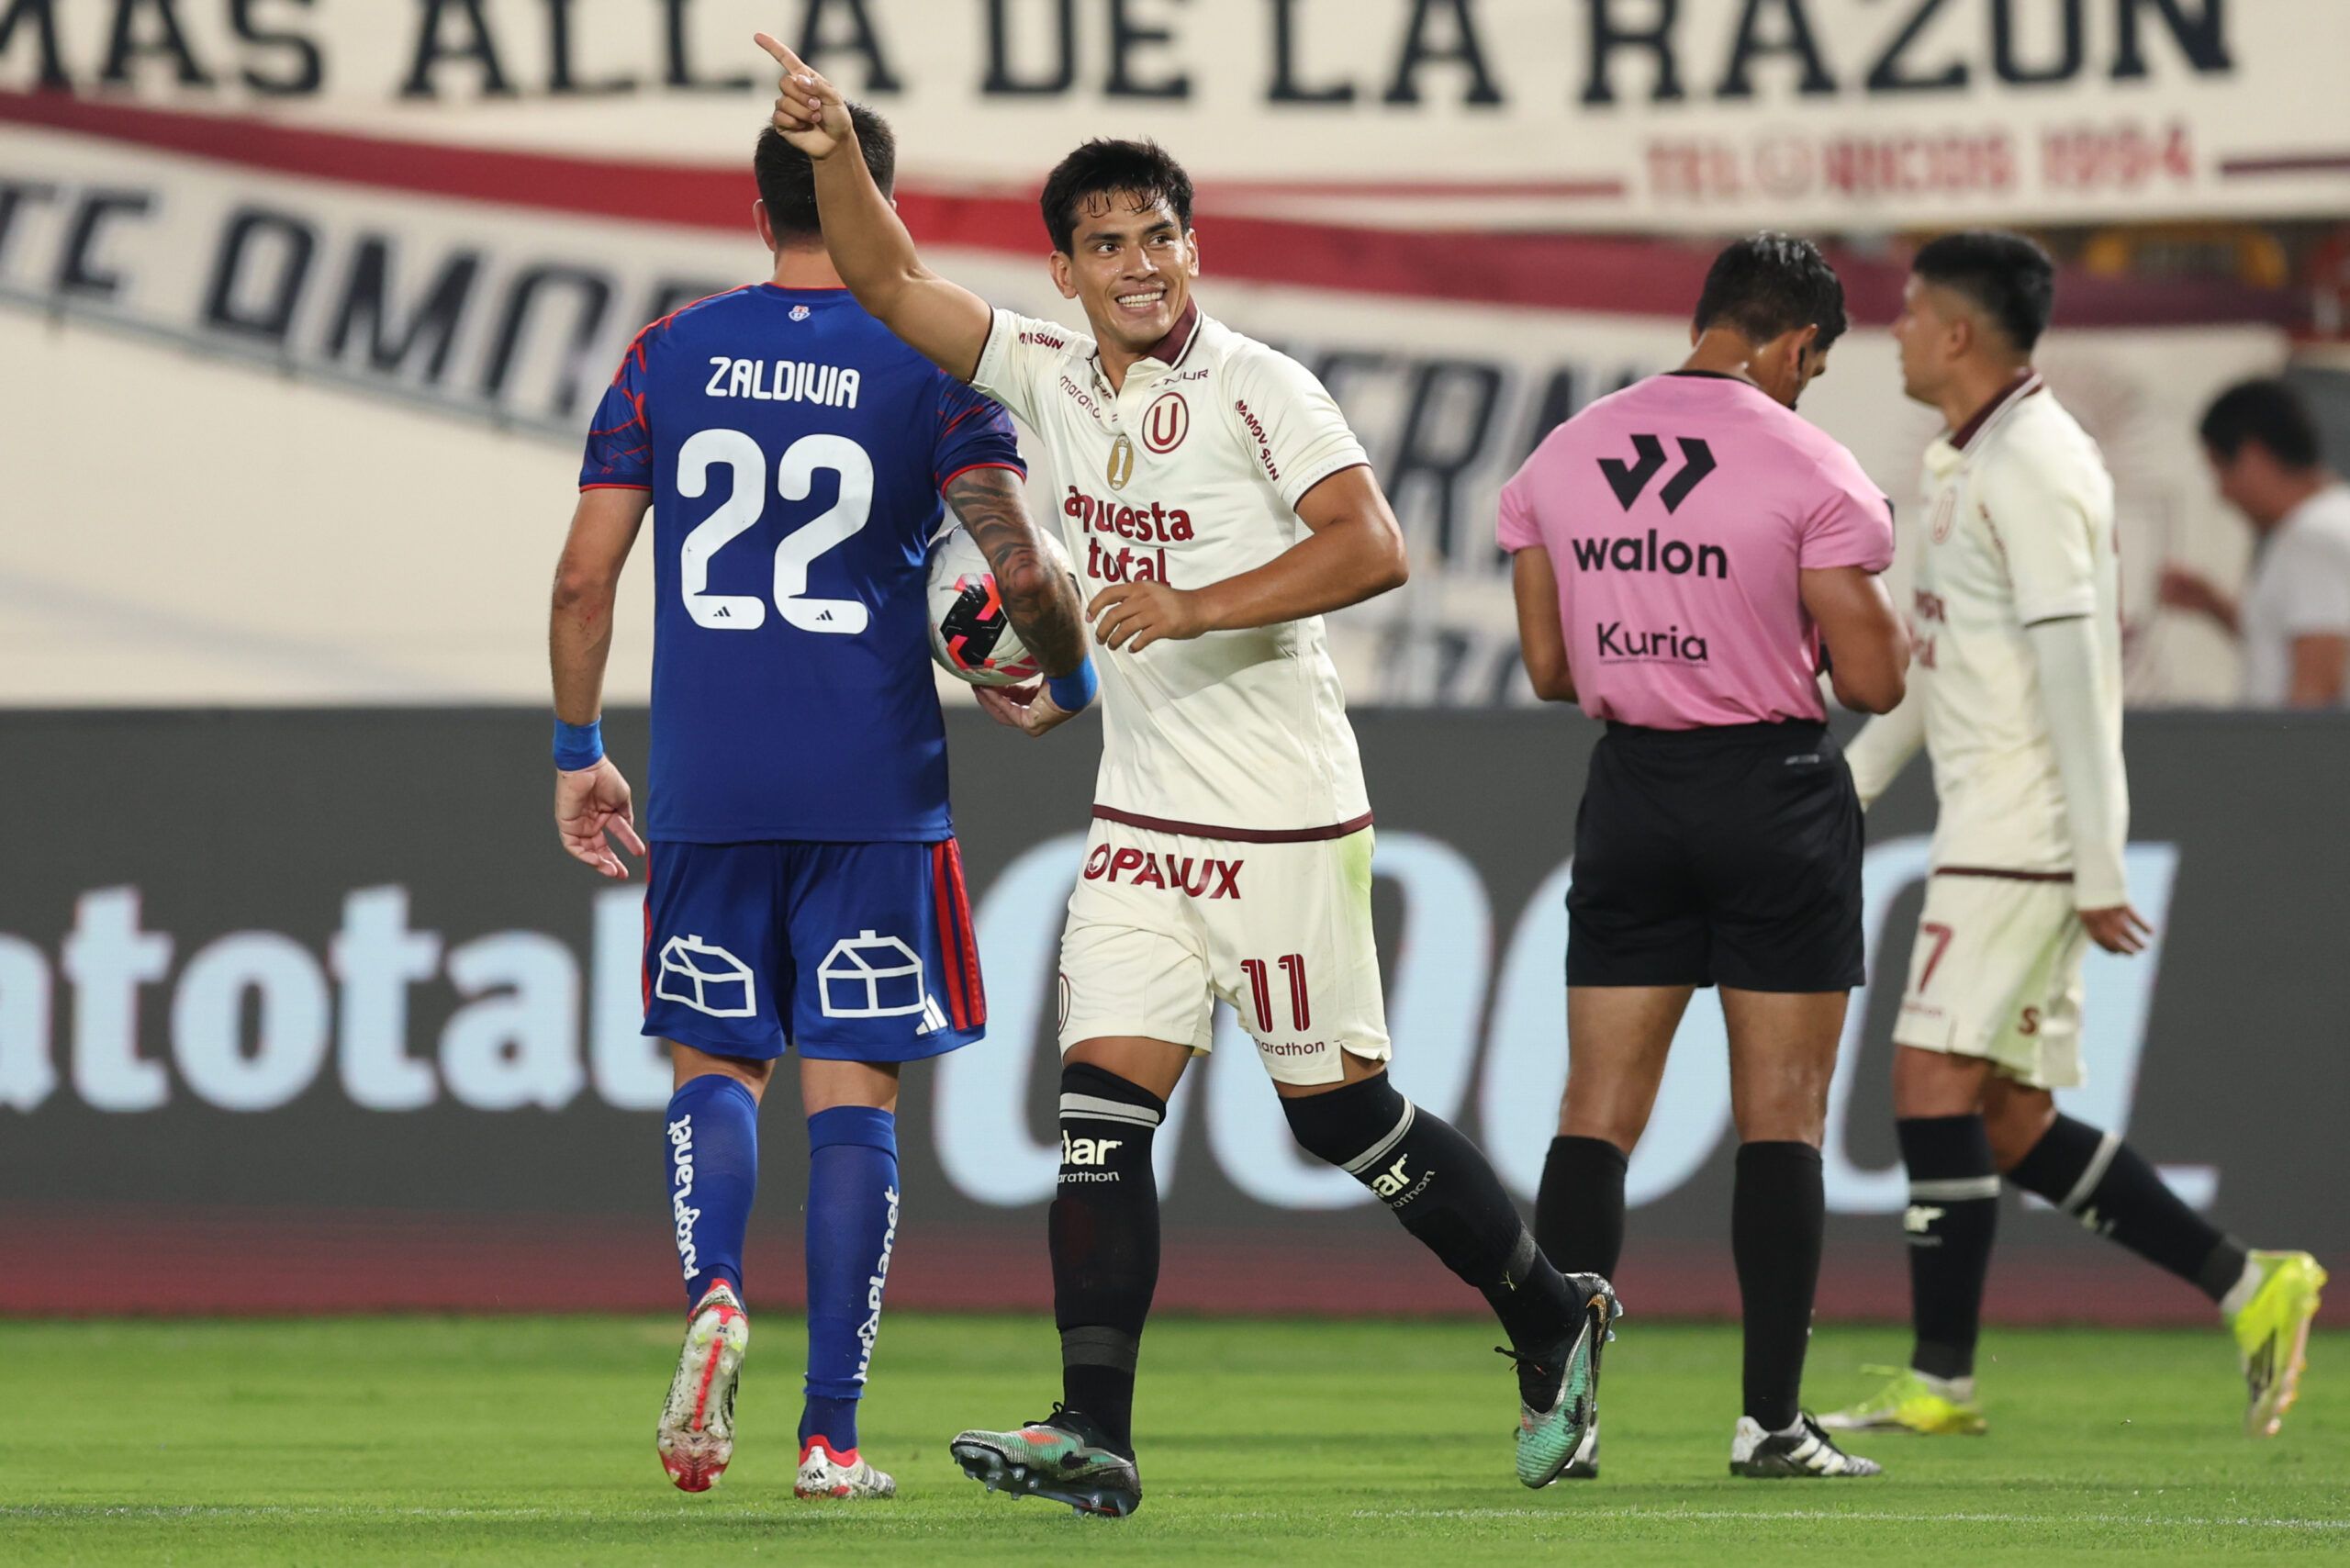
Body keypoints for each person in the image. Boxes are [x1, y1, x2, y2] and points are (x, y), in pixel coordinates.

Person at [760, 35, 1617, 1518]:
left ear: (1192, 245)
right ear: (1064, 272)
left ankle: (1551, 1310)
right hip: (1144, 822)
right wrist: (836, 151)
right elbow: (892, 282)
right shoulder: (1039, 372)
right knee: (1100, 1108)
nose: (1141, 262)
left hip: (1284, 816)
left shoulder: (1260, 387)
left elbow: (1376, 545)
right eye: (1107, 244)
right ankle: (1095, 1427)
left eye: (1160, 235)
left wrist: (1198, 604)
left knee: (1341, 1114)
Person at [547, 114, 1091, 1499]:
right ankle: (829, 1439)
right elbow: (1019, 571)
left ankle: (714, 1294)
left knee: (716, 1064)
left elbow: (582, 583)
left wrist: (575, 751)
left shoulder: (667, 353)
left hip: (709, 787)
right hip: (873, 790)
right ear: (879, 200)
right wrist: (1064, 683)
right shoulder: (930, 356)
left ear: (756, 202)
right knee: (855, 1100)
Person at [1827, 232, 2325, 1441]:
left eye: (1908, 312)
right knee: (2006, 1121)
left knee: (1924, 1083)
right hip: (1997, 825)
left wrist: (2095, 863)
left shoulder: (2042, 465)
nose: (1891, 330)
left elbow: (2079, 679)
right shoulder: (1966, 457)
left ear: (1957, 332)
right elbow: (1944, 663)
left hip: (2023, 834)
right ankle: (2253, 1286)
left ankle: (1941, 1382)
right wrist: (1845, 792)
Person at [1505, 234, 1908, 1480]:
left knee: (1593, 1116)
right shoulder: (1814, 465)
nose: (1809, 383)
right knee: (1780, 1118)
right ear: (1794, 343)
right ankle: (1772, 1423)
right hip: (1771, 796)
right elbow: (1879, 681)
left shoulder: (1559, 460)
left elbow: (1552, 670)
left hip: (1632, 795)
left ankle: (1559, 1421)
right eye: (1815, 365)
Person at [2160, 378, 2350, 709]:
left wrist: (2276, 758)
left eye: (2219, 470)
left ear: (2252, 457)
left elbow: (2317, 690)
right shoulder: (2328, 519)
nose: (2222, 493)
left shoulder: (2312, 537)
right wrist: (2215, 606)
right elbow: (2286, 645)